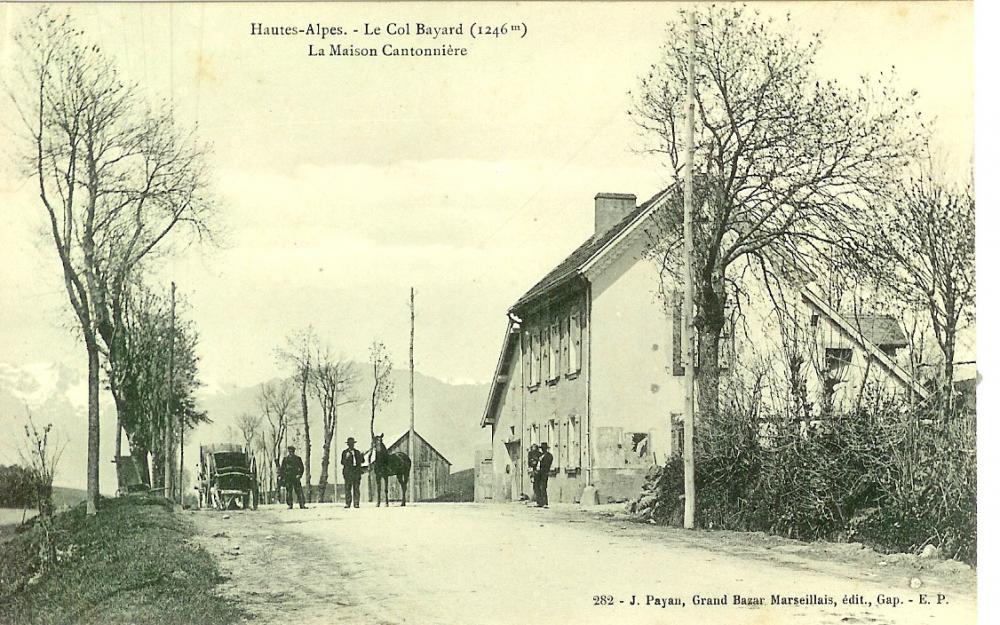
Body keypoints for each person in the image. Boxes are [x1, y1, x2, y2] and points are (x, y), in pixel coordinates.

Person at [279, 445, 307, 510]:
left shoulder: (298, 459)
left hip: (295, 477)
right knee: (289, 492)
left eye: (292, 451)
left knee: (299, 491)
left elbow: (302, 468)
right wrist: (282, 477)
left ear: (294, 451)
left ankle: (302, 504)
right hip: (288, 477)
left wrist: (299, 475)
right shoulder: (285, 459)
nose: (290, 452)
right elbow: (282, 469)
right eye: (289, 451)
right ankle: (290, 505)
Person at [341, 437, 365, 509]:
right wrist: (346, 458)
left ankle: (356, 503)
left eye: (352, 444)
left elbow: (362, 461)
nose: (351, 445)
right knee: (348, 488)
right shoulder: (344, 452)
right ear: (348, 445)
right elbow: (342, 462)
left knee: (356, 488)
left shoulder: (357, 452)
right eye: (350, 444)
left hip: (356, 473)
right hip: (348, 473)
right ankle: (348, 503)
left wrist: (362, 456)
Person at [535, 442, 553, 508]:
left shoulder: (549, 456)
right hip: (538, 473)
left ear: (546, 449)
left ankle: (545, 502)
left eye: (544, 448)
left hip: (544, 473)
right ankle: (539, 502)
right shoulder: (540, 455)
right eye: (542, 448)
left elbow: (547, 465)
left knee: (543, 487)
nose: (543, 450)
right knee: (537, 487)